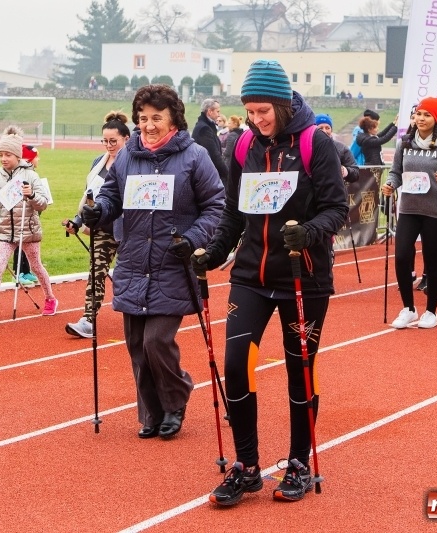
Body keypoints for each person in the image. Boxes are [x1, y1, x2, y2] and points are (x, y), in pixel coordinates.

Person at [191, 59, 348, 506]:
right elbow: (233, 215)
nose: (257, 121)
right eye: (251, 112)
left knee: (300, 370)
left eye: (264, 111)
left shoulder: (315, 143)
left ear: (281, 104)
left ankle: (299, 461)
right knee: (236, 364)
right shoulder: (243, 146)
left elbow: (337, 208)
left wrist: (310, 232)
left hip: (304, 277)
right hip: (252, 276)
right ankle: (247, 466)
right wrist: (213, 253)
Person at [80, 84, 224, 440]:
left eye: (156, 118)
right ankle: (152, 413)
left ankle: (176, 401)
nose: (148, 125)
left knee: (156, 342)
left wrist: (192, 239)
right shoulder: (129, 154)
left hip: (171, 262)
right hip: (132, 262)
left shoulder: (194, 156)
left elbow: (215, 206)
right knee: (136, 346)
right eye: (143, 118)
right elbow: (113, 194)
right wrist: (99, 211)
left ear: (173, 118)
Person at [381, 96, 437, 329]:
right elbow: (396, 173)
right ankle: (408, 309)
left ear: (436, 119)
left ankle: (431, 312)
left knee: (432, 262)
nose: (422, 118)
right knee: (403, 257)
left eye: (427, 115)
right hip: (408, 209)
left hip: (435, 211)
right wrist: (390, 184)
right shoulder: (404, 143)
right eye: (419, 114)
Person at [0, 126, 58, 325]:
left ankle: (50, 298)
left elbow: (43, 203)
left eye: (8, 154)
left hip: (28, 231)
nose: (3, 158)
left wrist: (32, 195)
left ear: (17, 155)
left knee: (36, 266)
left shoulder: (31, 176)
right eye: (0, 154)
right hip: (5, 233)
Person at [64, 111, 131, 338]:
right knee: (96, 272)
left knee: (127, 275)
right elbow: (89, 197)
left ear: (126, 139)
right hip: (102, 228)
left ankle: (138, 316)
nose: (109, 145)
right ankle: (88, 320)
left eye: (114, 141)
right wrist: (78, 220)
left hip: (130, 229)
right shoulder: (97, 163)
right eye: (105, 141)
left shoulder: (134, 162)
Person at [11, 144, 42, 287]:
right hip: (20, 215)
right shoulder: (21, 175)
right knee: (20, 242)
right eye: (37, 157)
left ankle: (26, 270)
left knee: (28, 241)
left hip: (31, 214)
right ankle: (18, 273)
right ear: (29, 159)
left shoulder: (32, 174)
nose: (39, 160)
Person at [192, 98, 229, 183]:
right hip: (207, 177)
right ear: (210, 111)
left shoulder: (207, 127)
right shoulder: (204, 129)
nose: (219, 115)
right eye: (217, 111)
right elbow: (213, 155)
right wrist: (227, 173)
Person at [315, 113, 359, 183]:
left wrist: (345, 170)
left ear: (331, 130)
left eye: (327, 128)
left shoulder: (342, 148)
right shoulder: (308, 148)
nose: (324, 131)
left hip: (335, 191)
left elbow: (355, 173)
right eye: (320, 128)